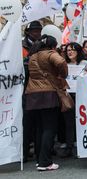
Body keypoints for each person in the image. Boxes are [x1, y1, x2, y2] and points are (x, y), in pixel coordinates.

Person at [25, 35, 68, 171]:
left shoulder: (32, 56)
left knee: (39, 128)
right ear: (52, 46)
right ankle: (45, 162)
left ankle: (40, 159)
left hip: (32, 94)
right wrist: (62, 75)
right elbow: (61, 62)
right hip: (48, 94)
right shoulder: (50, 54)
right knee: (50, 128)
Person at [58, 42, 87, 158]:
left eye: (72, 50)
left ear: (78, 51)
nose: (70, 52)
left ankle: (83, 146)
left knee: (82, 121)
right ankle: (69, 147)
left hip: (81, 96)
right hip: (68, 95)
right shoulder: (64, 64)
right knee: (69, 122)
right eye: (68, 50)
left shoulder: (84, 63)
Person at [22, 21, 43, 162]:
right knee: (26, 123)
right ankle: (23, 152)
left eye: (39, 30)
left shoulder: (43, 44)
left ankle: (38, 152)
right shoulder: (21, 46)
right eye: (34, 31)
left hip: (39, 89)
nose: (37, 33)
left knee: (39, 123)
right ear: (28, 32)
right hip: (25, 89)